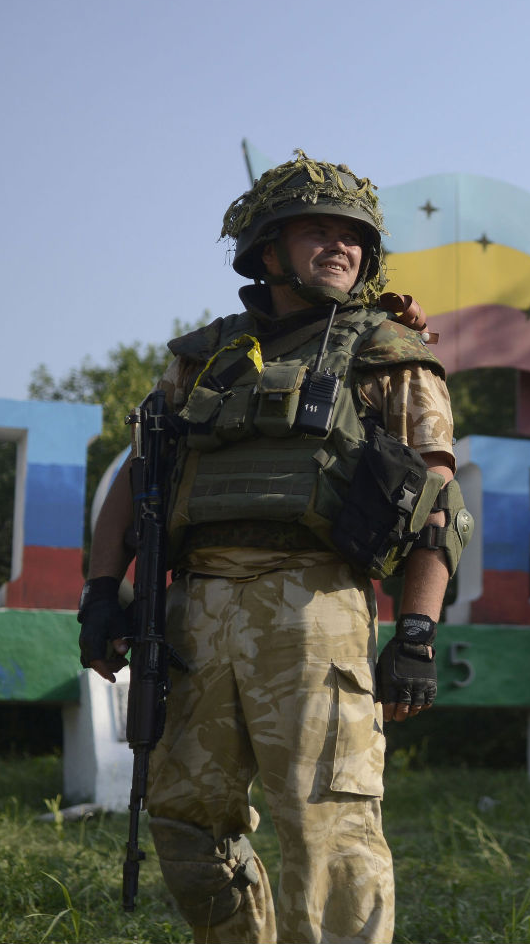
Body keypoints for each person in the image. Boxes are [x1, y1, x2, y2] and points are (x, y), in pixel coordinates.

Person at [75, 151, 473, 943]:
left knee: (329, 831)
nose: (340, 246)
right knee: (183, 822)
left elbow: (438, 504)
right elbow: (138, 473)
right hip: (193, 612)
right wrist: (100, 590)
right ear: (267, 248)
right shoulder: (204, 358)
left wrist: (417, 630)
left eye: (352, 236)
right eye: (316, 231)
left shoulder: (388, 351)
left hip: (314, 606)